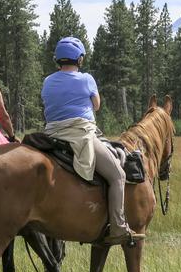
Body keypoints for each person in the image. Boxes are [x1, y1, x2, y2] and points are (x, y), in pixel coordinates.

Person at [41, 37, 143, 246]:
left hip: (51, 135)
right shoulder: (86, 79)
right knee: (117, 175)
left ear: (58, 59)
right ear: (79, 58)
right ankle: (118, 227)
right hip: (81, 133)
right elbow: (96, 105)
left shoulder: (48, 80)